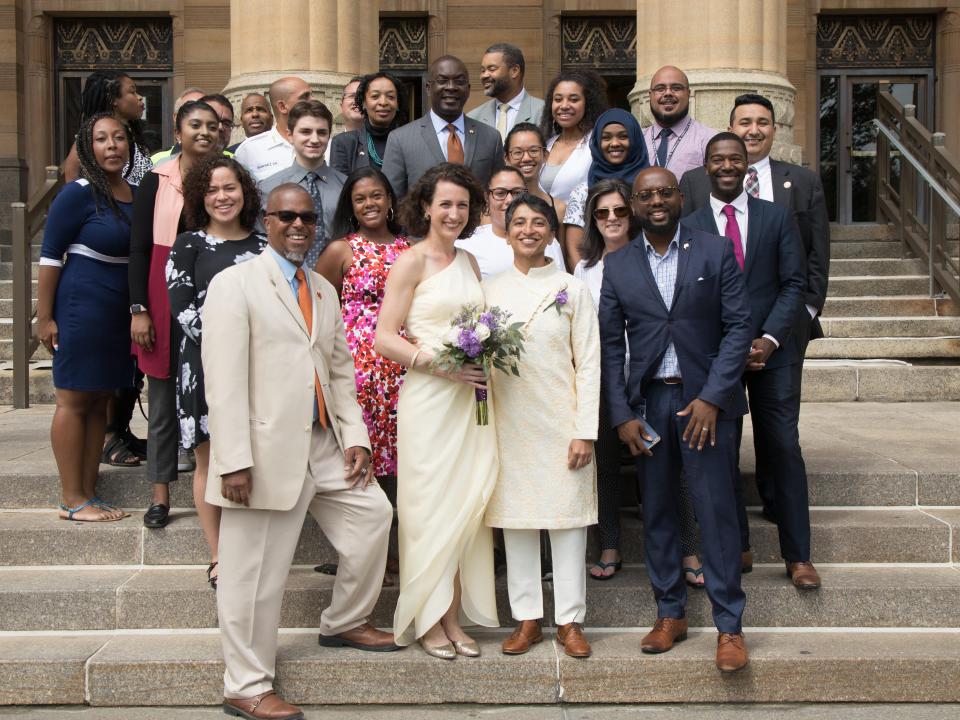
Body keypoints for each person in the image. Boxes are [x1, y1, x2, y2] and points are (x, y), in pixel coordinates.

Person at [203, 183, 397, 720]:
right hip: (261, 450)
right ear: (265, 220)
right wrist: (233, 460)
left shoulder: (322, 289)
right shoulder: (234, 284)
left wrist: (354, 436)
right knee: (252, 575)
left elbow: (338, 371)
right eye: (286, 216)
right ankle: (245, 684)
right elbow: (222, 382)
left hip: (325, 441)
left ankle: (343, 621)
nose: (297, 226)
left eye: (307, 218)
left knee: (373, 517)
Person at [599, 165, 752, 673]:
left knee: (715, 513)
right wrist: (620, 413)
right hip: (649, 407)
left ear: (681, 197)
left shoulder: (714, 249)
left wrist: (713, 395)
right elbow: (608, 346)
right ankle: (671, 614)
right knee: (659, 511)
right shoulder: (618, 265)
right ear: (635, 204)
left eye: (665, 192)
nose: (656, 201)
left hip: (703, 404)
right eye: (646, 196)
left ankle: (729, 626)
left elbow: (737, 328)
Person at [680, 94, 830, 521]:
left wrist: (797, 320)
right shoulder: (693, 183)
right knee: (723, 436)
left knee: (779, 435)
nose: (754, 129)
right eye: (744, 121)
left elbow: (816, 258)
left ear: (774, 130)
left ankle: (781, 511)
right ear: (730, 128)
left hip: (779, 333)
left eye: (763, 122)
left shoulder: (800, 181)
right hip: (717, 340)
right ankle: (735, 531)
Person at [375, 164, 499, 659]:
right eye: (444, 203)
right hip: (429, 398)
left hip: (470, 402)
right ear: (425, 206)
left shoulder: (469, 261)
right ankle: (427, 617)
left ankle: (453, 616)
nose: (453, 213)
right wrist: (442, 366)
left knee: (465, 504)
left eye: (462, 205)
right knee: (427, 508)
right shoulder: (411, 261)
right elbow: (385, 338)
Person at [484, 194, 599, 659]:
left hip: (561, 421)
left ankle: (570, 620)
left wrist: (584, 429)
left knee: (568, 523)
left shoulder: (573, 288)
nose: (528, 230)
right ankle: (527, 617)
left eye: (538, 223)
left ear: (553, 231)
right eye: (518, 222)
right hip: (507, 423)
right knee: (517, 522)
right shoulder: (489, 289)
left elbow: (589, 363)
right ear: (506, 229)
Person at [166, 156, 267, 590]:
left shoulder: (266, 246)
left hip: (263, 370)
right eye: (212, 190)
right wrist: (238, 341)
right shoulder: (188, 245)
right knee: (210, 459)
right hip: (204, 367)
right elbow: (184, 312)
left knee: (254, 457)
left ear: (245, 192)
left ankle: (250, 551)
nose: (222, 197)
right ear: (199, 198)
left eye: (230, 188)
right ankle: (218, 555)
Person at [37, 113, 136, 522]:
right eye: (100, 139)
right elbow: (48, 255)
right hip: (82, 305)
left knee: (100, 401)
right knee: (75, 399)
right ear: (88, 148)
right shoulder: (78, 193)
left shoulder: (134, 192)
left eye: (118, 138)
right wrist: (44, 317)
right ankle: (71, 498)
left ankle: (89, 492)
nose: (112, 145)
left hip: (118, 311)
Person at [129, 100, 221, 530]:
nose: (204, 132)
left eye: (212, 126)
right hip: (162, 296)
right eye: (195, 124)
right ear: (177, 129)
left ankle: (222, 491)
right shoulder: (155, 178)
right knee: (164, 400)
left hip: (215, 294)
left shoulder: (226, 179)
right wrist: (139, 309)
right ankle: (161, 494)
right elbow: (139, 249)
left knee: (217, 396)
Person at [315, 167, 410, 483]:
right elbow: (319, 310)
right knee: (362, 450)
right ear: (351, 206)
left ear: (389, 200)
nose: (369, 203)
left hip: (402, 365)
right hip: (357, 369)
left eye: (376, 195)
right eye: (360, 199)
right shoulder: (340, 250)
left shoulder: (409, 250)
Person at [573, 179, 639, 581]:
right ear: (592, 220)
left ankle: (686, 550)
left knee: (665, 467)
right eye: (602, 213)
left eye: (619, 210)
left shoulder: (650, 255)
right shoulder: (585, 268)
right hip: (602, 378)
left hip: (646, 375)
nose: (611, 219)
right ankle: (610, 544)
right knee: (607, 466)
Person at [382, 55, 504, 199]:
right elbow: (391, 199)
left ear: (468, 89)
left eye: (459, 81)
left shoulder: (491, 137)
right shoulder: (400, 139)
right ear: (428, 88)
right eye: (442, 81)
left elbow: (499, 194)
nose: (451, 87)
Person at [259, 100, 345, 268]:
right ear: (290, 135)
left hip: (337, 279)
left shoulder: (346, 186)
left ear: (329, 135)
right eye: (305, 132)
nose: (314, 139)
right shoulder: (269, 188)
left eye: (321, 132)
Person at [563, 108, 649, 265]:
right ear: (597, 142)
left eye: (623, 136)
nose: (615, 143)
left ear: (635, 140)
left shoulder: (650, 186)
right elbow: (575, 248)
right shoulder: (583, 192)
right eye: (606, 138)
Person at [455, 166, 564, 278]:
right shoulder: (466, 244)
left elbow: (563, 287)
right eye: (500, 193)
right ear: (487, 198)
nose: (510, 200)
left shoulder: (544, 238)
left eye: (517, 193)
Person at [63, 70, 152, 186]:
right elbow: (71, 183)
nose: (140, 97)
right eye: (132, 92)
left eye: (119, 138)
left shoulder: (135, 138)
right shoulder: (86, 142)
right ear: (113, 99)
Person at [539, 69, 608, 205]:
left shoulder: (597, 143)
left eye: (574, 99)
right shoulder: (546, 143)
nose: (564, 106)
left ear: (587, 104)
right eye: (558, 99)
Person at [642, 66, 717, 180]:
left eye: (676, 88)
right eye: (660, 89)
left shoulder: (708, 140)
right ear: (650, 95)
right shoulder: (638, 139)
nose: (668, 93)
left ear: (688, 93)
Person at [234, 75, 312, 181]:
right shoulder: (248, 151)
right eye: (305, 97)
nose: (313, 101)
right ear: (282, 107)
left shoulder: (326, 145)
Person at [329, 71, 406, 175]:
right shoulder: (344, 142)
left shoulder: (411, 140)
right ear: (364, 103)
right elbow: (340, 187)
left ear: (398, 104)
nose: (383, 102)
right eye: (375, 96)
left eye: (390, 96)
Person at [468, 43, 545, 140]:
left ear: (514, 71)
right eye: (483, 70)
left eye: (492, 69)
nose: (484, 76)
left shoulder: (543, 112)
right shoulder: (474, 118)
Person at [151, 87, 206, 164]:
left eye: (205, 109)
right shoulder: (156, 161)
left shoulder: (227, 159)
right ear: (176, 118)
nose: (198, 115)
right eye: (190, 110)